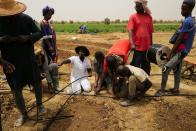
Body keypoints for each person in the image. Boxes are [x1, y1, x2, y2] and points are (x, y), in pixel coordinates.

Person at [0, 0, 46, 127]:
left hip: (28, 59)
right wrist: (2, 61)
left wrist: (27, 38)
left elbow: (39, 32)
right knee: (16, 90)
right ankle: (23, 114)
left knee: (36, 83)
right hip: (10, 63)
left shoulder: (26, 19)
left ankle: (40, 105)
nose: (11, 16)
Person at [155, 0, 195, 96]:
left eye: (184, 9)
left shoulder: (186, 22)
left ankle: (161, 90)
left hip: (181, 51)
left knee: (165, 68)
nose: (181, 11)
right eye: (181, 8)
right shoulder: (192, 20)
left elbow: (179, 39)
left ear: (190, 9)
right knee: (177, 70)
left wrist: (170, 53)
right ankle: (176, 89)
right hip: (184, 50)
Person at [127, 0, 154, 75]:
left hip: (147, 47)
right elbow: (130, 31)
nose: (135, 7)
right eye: (135, 5)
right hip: (137, 47)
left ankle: (146, 82)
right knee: (136, 65)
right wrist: (132, 43)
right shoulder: (133, 17)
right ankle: (135, 82)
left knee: (146, 65)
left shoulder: (149, 17)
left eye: (138, 5)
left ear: (143, 6)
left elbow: (150, 32)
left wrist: (151, 45)